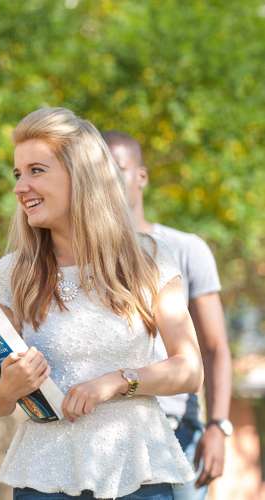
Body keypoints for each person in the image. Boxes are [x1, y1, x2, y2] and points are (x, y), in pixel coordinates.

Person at [0, 107, 203, 499]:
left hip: (139, 472)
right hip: (43, 477)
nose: (20, 187)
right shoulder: (11, 273)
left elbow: (189, 370)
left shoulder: (149, 258)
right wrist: (12, 385)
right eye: (17, 174)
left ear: (79, 174)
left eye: (36, 170)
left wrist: (117, 382)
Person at [104, 130, 233, 500]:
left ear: (141, 176)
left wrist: (218, 427)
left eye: (119, 169)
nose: (108, 181)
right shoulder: (80, 259)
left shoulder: (185, 249)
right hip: (111, 432)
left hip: (177, 429)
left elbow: (215, 347)